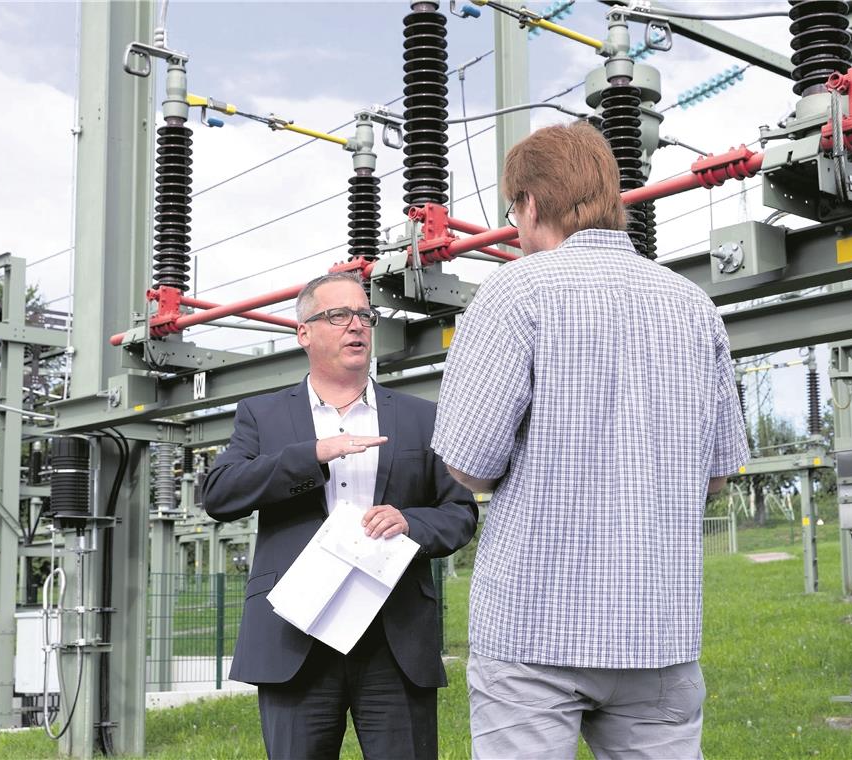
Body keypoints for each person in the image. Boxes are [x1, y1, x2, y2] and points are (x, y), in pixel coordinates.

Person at [431, 121, 749, 759]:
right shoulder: (693, 305)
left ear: (529, 205)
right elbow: (717, 473)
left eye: (512, 211)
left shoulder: (512, 294)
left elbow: (469, 466)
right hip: (659, 631)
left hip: (534, 629)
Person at [205, 271, 477, 760]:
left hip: (394, 640)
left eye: (363, 315)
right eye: (338, 315)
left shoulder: (421, 417)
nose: (356, 325)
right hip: (296, 636)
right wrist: (312, 454)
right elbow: (220, 494)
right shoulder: (261, 415)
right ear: (303, 332)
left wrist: (410, 523)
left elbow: (459, 512)